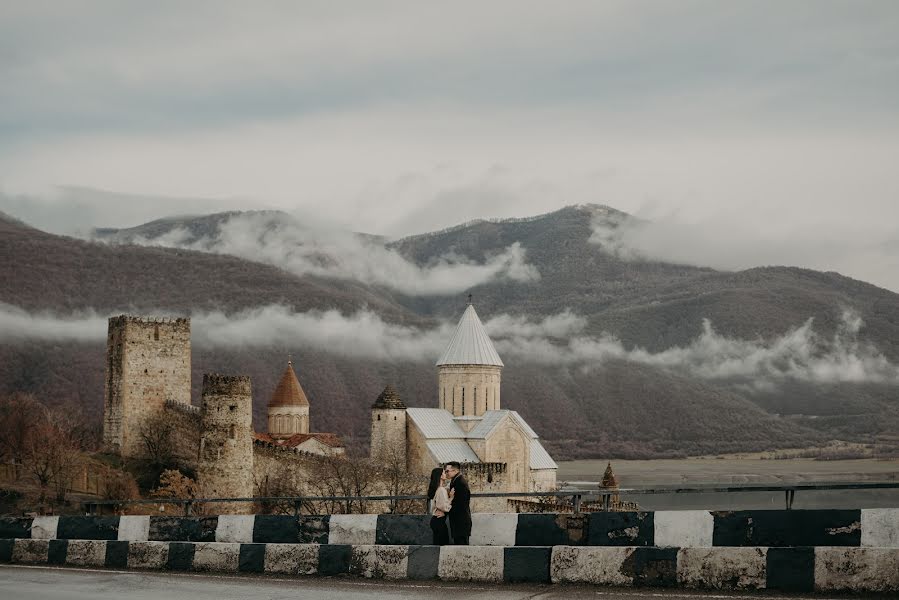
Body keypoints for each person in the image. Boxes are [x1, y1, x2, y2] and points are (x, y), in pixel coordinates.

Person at [444, 461, 471, 545]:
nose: (446, 473)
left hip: (461, 520)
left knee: (461, 546)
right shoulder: (456, 480)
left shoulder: (460, 482)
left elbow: (462, 503)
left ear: (455, 471)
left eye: (447, 471)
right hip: (459, 520)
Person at [427, 466, 451, 545]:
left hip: (436, 520)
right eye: (444, 472)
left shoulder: (438, 489)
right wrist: (452, 498)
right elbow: (444, 507)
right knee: (443, 545)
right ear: (440, 476)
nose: (446, 474)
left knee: (437, 545)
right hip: (439, 521)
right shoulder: (441, 490)